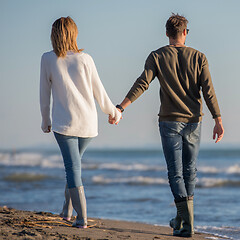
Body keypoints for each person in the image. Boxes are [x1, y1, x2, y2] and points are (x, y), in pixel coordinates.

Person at [110, 13, 224, 237]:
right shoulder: (199, 57)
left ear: (166, 34)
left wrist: (121, 107)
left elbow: (142, 83)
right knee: (190, 172)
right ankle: (185, 222)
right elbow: (208, 91)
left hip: (170, 122)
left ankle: (184, 221)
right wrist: (218, 119)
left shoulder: (157, 56)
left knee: (176, 173)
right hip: (194, 121)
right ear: (184, 33)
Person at [40, 16, 121, 228]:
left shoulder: (48, 59)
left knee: (72, 168)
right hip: (88, 124)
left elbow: (44, 93)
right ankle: (67, 211)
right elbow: (99, 91)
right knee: (73, 166)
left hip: (64, 124)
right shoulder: (86, 58)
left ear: (54, 35)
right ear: (74, 33)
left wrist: (45, 119)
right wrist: (113, 112)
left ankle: (82, 218)